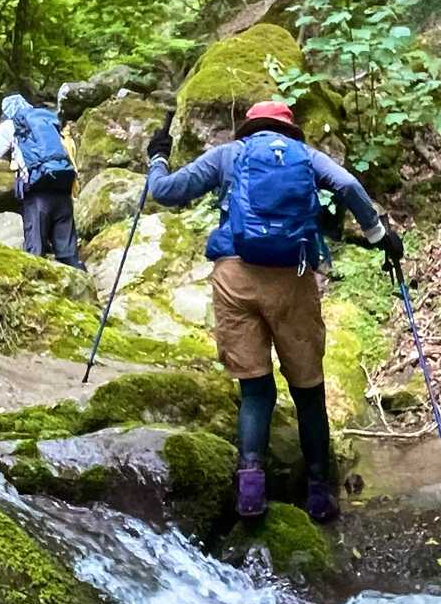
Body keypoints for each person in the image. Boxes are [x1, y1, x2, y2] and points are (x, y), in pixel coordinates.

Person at [146, 99, 403, 522]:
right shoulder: (306, 156)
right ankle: (319, 494)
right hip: (292, 280)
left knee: (255, 389)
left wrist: (157, 158)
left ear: (250, 127)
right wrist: (378, 235)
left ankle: (250, 492)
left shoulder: (229, 155)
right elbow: (348, 185)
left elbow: (166, 191)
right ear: (288, 129)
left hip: (235, 276)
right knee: (308, 391)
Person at [0, 93, 86, 270]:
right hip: (63, 184)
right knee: (68, 252)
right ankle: (79, 278)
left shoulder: (12, 125)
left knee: (35, 252)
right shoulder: (46, 120)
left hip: (37, 189)